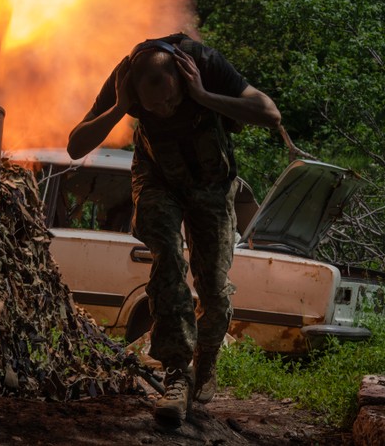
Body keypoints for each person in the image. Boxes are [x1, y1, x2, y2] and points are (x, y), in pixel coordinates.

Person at [67, 34, 281, 422]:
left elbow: (269, 113)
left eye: (170, 99)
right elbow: (75, 146)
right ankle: (176, 373)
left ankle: (207, 358)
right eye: (152, 106)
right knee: (167, 262)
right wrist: (119, 107)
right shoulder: (125, 79)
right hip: (157, 179)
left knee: (214, 290)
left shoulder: (202, 62)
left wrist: (202, 95)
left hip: (212, 184)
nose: (163, 110)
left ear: (180, 77)